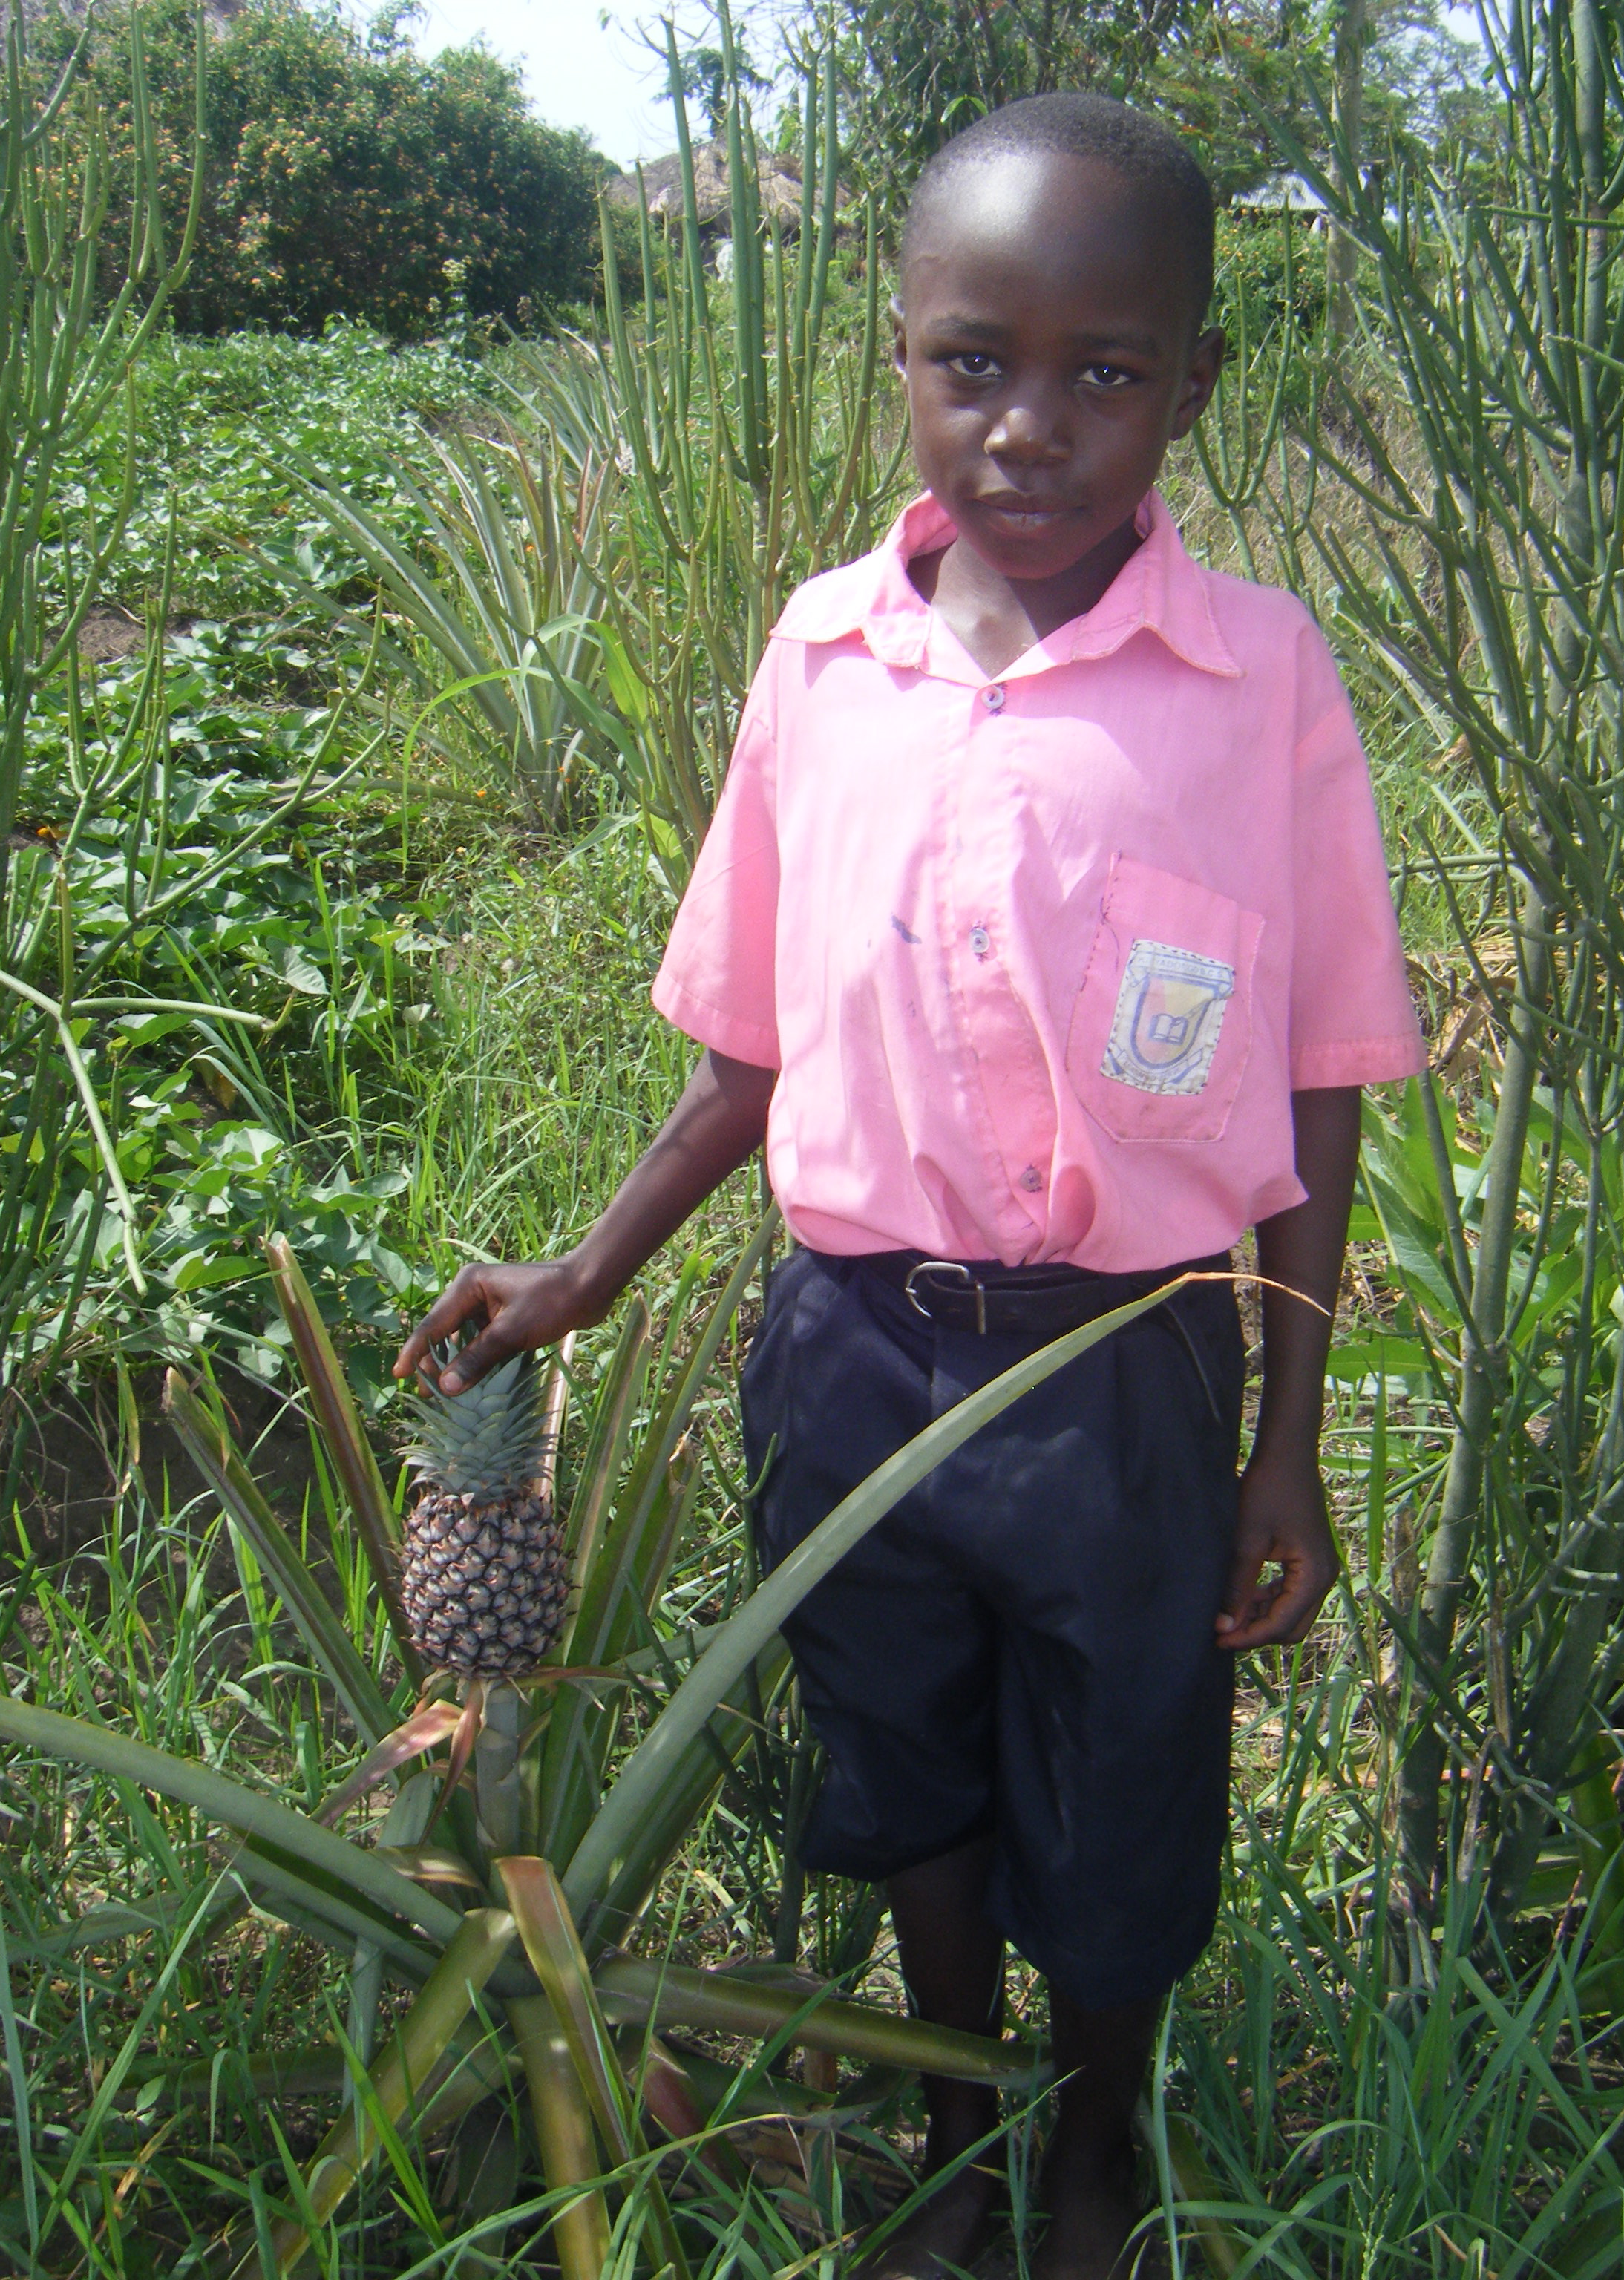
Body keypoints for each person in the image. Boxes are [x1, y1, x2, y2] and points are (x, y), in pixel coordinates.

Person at [396, 91, 1424, 2280]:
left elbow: (1321, 1077)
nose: (1030, 426)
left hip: (1128, 1375)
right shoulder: (821, 657)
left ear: (1193, 385)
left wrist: (1288, 1438)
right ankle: (957, 2124)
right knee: (905, 1768)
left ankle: (1094, 2144)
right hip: (850, 1355)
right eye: (975, 360)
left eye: (1104, 371)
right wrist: (584, 1274)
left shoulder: (1260, 684)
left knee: (1126, 1783)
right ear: (901, 356)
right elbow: (747, 1051)